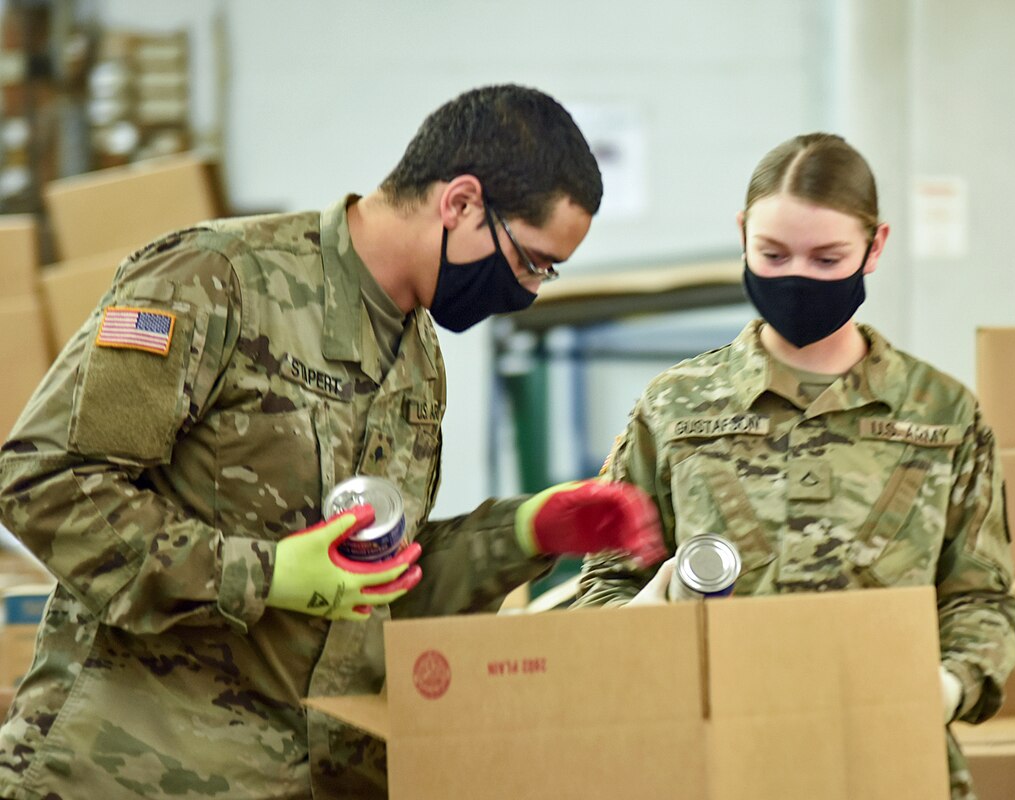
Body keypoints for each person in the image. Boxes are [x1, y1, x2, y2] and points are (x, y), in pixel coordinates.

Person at [0, 84, 663, 800]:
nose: (530, 290)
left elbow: (369, 587)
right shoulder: (219, 281)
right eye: (532, 261)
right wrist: (267, 574)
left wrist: (528, 531)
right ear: (462, 202)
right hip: (131, 775)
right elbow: (44, 481)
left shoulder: (415, 357)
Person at [574, 132, 1015, 800]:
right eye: (773, 253)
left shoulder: (943, 415)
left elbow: (981, 599)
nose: (798, 278)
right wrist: (645, 616)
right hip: (712, 765)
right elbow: (603, 584)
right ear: (742, 235)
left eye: (828, 257)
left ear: (876, 246)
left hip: (889, 764)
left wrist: (946, 686)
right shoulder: (674, 408)